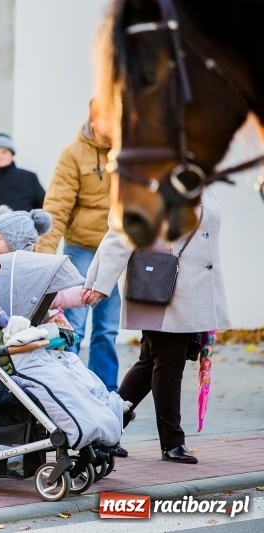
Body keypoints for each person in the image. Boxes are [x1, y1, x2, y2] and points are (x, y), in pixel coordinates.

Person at [83, 188, 231, 464]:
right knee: (168, 365)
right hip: (163, 291)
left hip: (188, 293)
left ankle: (104, 432)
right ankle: (172, 442)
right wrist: (101, 284)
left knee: (150, 363)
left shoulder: (204, 183)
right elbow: (122, 233)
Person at [36, 100, 121, 397]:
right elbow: (56, 208)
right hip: (82, 249)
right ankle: (71, 390)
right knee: (74, 326)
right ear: (94, 120)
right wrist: (43, 262)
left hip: (116, 252)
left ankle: (106, 392)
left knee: (108, 329)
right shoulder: (73, 154)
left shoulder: (127, 151)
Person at [0, 133, 45, 253]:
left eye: (4, 152)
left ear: (12, 154)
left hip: (21, 251)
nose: (0, 156)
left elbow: (42, 210)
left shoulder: (29, 178)